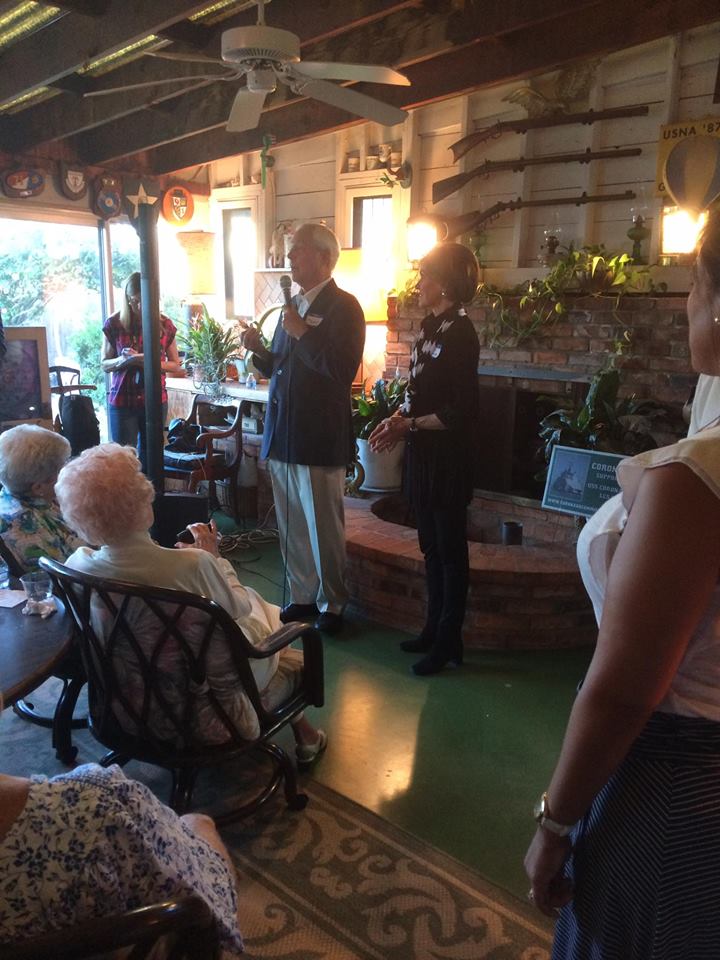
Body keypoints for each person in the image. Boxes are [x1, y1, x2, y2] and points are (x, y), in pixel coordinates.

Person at [524, 210, 720, 959]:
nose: (686, 302)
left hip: (674, 794)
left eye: (695, 283)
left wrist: (554, 823)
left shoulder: (694, 481)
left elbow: (624, 690)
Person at [55, 443, 326, 762]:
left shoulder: (77, 566)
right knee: (262, 612)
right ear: (145, 505)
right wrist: (215, 557)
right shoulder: (195, 565)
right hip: (206, 710)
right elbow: (237, 608)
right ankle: (306, 734)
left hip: (124, 705)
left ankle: (305, 733)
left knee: (252, 612)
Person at [241, 222, 365, 635]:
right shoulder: (291, 308)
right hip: (283, 432)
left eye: (298, 250)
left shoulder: (345, 307)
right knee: (292, 523)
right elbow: (281, 366)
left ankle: (333, 603)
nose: (290, 257)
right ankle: (303, 596)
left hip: (318, 436)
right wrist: (259, 350)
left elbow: (340, 370)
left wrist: (302, 333)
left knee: (323, 526)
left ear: (324, 258)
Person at [0, 755, 243, 954]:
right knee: (197, 822)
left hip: (117, 723)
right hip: (152, 938)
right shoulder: (97, 801)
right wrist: (199, 825)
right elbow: (206, 902)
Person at [369, 242, 480, 675]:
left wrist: (408, 425)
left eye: (426, 275)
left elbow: (461, 411)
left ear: (447, 283)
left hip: (448, 459)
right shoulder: (431, 327)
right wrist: (395, 419)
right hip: (424, 453)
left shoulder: (461, 333)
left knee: (451, 552)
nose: (419, 283)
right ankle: (434, 630)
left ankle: (450, 640)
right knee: (431, 547)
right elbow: (418, 395)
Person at [101, 271, 182, 473]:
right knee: (123, 461)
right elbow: (104, 364)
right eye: (134, 301)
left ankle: (151, 494)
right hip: (123, 400)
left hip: (154, 399)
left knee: (152, 457)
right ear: (127, 299)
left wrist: (148, 360)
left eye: (143, 301)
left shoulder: (164, 325)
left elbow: (175, 364)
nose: (138, 306)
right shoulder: (114, 323)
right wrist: (122, 360)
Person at [0, 423, 82, 571]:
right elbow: (67, 578)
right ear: (38, 487)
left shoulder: (19, 493)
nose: (68, 470)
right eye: (62, 467)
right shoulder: (27, 530)